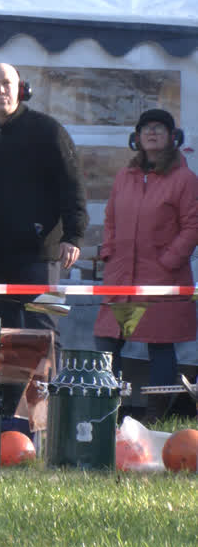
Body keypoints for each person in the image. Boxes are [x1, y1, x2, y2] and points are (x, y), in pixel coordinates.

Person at [0, 63, 88, 430]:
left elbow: (72, 185)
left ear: (21, 88)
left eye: (7, 83)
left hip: (44, 255)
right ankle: (10, 419)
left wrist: (73, 236)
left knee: (45, 333)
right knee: (2, 338)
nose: (1, 90)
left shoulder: (48, 130)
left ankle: (49, 421)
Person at [93, 109, 198, 423]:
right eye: (146, 128)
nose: (152, 133)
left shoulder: (184, 179)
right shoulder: (124, 176)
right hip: (121, 276)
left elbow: (192, 226)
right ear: (137, 137)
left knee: (160, 345)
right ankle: (108, 414)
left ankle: (157, 419)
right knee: (107, 342)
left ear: (172, 137)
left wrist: (169, 261)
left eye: (159, 128)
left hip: (162, 278)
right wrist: (109, 251)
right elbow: (110, 218)